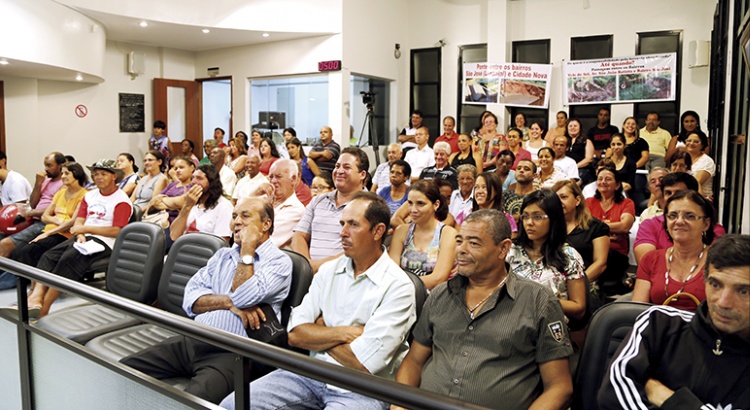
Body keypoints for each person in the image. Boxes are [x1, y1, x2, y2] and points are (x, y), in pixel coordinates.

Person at [222, 192, 416, 410]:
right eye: (342, 223)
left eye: (353, 225)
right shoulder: (329, 271)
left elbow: (363, 362)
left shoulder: (398, 286)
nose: (342, 232)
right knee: (232, 405)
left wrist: (319, 331)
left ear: (378, 231)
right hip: (311, 372)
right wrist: (344, 333)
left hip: (362, 388)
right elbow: (295, 335)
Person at [393, 209, 574, 409]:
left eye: (474, 243)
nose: (461, 250)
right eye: (459, 241)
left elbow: (559, 387)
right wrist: (399, 405)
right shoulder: (440, 295)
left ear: (503, 248)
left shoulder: (538, 301)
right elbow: (414, 361)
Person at [122, 197, 292, 404]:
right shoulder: (222, 256)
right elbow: (190, 298)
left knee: (190, 403)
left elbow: (243, 295)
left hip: (232, 354)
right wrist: (228, 303)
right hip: (192, 339)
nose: (237, 221)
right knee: (121, 371)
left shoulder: (280, 262)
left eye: (245, 216)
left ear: (266, 224)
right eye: (235, 216)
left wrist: (248, 248)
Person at [598, 234, 750, 410]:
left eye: (743, 291)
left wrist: (668, 397)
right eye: (716, 285)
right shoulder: (658, 324)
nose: (723, 302)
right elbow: (612, 396)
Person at [24, 159, 132, 317]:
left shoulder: (121, 200)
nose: (98, 177)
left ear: (114, 176)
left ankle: (44, 308)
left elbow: (117, 230)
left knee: (68, 258)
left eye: (103, 174)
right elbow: (79, 219)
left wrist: (85, 229)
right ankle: (35, 298)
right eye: (95, 175)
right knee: (49, 256)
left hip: (106, 242)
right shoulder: (90, 196)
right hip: (84, 237)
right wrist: (80, 233)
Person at [0, 163, 87, 293]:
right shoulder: (61, 193)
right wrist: (57, 220)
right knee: (19, 251)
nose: (63, 176)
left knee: (30, 250)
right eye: (62, 173)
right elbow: (45, 216)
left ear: (77, 174)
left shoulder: (84, 195)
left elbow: (73, 221)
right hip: (48, 229)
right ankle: (29, 284)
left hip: (64, 234)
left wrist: (56, 225)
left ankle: (34, 289)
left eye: (67, 173)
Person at [507, 190, 587, 321]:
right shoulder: (511, 250)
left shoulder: (569, 256)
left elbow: (579, 308)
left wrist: (539, 300)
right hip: (510, 322)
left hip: (549, 327)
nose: (529, 223)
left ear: (553, 219)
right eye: (525, 216)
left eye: (537, 217)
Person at [632, 190, 716, 310]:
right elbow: (638, 311)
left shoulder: (719, 262)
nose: (679, 221)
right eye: (673, 216)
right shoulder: (651, 260)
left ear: (706, 224)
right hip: (658, 327)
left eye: (690, 216)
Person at [292, 147, 368, 273]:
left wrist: (317, 267)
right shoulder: (318, 200)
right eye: (337, 166)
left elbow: (361, 250)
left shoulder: (369, 205)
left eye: (347, 167)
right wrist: (306, 265)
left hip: (344, 275)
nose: (339, 171)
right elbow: (299, 235)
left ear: (362, 174)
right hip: (309, 275)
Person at [389, 180, 457, 290]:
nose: (413, 210)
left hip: (433, 298)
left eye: (420, 203)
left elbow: (438, 279)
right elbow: (392, 271)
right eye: (410, 203)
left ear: (436, 205)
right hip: (400, 294)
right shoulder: (401, 231)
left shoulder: (448, 234)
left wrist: (401, 286)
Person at [0, 152, 64, 257]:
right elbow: (33, 204)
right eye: (45, 165)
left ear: (60, 166)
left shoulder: (64, 184)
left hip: (45, 223)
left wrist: (31, 213)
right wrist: (38, 183)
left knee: (5, 244)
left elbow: (56, 210)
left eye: (49, 165)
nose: (46, 169)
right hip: (31, 219)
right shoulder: (45, 181)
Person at [554, 179, 610, 299]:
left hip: (586, 283)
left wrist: (575, 284)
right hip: (553, 283)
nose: (558, 202)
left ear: (577, 200)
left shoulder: (596, 227)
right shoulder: (549, 226)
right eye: (556, 198)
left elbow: (600, 264)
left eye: (563, 197)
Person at [586, 166, 635, 295]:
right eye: (600, 179)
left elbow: (624, 226)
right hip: (591, 250)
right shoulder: (589, 202)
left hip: (616, 253)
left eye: (608, 179)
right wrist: (607, 235)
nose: (603, 182)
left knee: (604, 252)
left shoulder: (626, 203)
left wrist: (597, 230)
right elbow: (583, 225)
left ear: (618, 185)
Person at [169, 164, 233, 243]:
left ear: (212, 182)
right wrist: (186, 206)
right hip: (183, 249)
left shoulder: (224, 206)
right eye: (192, 178)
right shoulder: (191, 202)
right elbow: (174, 236)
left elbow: (221, 243)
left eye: (199, 178)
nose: (193, 182)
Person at [267, 159, 306, 249]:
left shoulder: (296, 211)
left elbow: (264, 243)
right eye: (270, 177)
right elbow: (235, 224)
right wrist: (255, 193)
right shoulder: (263, 200)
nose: (273, 181)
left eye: (278, 177)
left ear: (293, 179)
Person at [143, 155, 194, 224]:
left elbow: (181, 203)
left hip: (176, 221)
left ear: (192, 168)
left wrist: (162, 199)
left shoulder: (192, 187)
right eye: (176, 168)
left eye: (181, 167)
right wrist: (172, 204)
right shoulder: (172, 185)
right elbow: (154, 201)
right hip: (160, 217)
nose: (178, 170)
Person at [685, 130, 715, 200]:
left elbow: (695, 183)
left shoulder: (706, 161)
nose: (691, 143)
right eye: (689, 140)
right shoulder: (683, 158)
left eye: (696, 142)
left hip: (700, 199)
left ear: (702, 145)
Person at [567, 118, 595, 186]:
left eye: (575, 126)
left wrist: (574, 167)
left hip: (581, 170)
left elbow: (589, 159)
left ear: (580, 128)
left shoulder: (586, 141)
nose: (573, 128)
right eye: (570, 126)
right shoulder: (564, 141)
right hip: (566, 170)